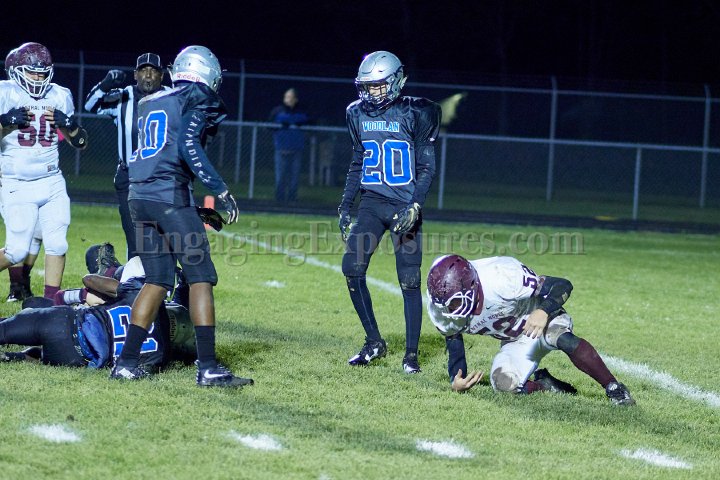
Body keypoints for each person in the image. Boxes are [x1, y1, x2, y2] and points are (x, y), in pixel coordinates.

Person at [112, 45, 252, 388]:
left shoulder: (151, 100)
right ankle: (208, 367)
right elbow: (188, 145)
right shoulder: (196, 96)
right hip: (169, 197)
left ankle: (126, 363)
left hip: (139, 198)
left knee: (157, 280)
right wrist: (218, 188)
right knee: (200, 277)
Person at [338, 51, 441, 374]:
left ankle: (411, 355)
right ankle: (374, 342)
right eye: (368, 86)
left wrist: (416, 204)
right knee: (351, 268)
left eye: (379, 85)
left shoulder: (415, 112)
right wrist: (345, 205)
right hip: (371, 203)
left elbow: (426, 166)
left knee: (409, 280)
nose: (372, 92)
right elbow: (358, 161)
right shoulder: (356, 113)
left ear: (396, 81)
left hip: (404, 205)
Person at [426, 254, 636, 406]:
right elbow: (454, 341)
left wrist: (543, 311)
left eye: (453, 302)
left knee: (563, 338)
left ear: (471, 286)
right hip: (514, 340)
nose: (447, 310)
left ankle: (613, 387)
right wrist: (457, 379)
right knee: (503, 385)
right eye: (443, 303)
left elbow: (563, 285)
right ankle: (546, 385)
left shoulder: (502, 277)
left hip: (540, 320)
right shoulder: (442, 309)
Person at [0, 42, 88, 300]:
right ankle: (19, 287)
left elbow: (81, 143)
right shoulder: (5, 93)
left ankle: (52, 303)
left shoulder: (59, 95)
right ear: (16, 71)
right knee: (16, 251)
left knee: (58, 243)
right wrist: (4, 123)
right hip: (17, 182)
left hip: (52, 180)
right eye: (32, 72)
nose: (38, 78)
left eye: (42, 73)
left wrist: (69, 125)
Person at [0, 255, 196, 370]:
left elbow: (89, 279)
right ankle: (18, 357)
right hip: (74, 357)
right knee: (42, 353)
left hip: (62, 324)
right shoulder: (162, 355)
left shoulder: (137, 294)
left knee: (7, 329)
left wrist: (117, 286)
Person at [84, 53, 168, 260]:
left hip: (163, 178)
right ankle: (136, 275)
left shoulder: (172, 97)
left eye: (153, 71)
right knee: (134, 236)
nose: (148, 75)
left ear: (161, 75)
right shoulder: (123, 96)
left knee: (165, 234)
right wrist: (105, 84)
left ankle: (163, 275)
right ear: (135, 75)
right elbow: (90, 106)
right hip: (129, 176)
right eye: (143, 70)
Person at [269, 88, 309, 203]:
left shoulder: (301, 112)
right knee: (280, 176)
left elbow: (310, 122)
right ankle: (279, 199)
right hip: (281, 149)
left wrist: (300, 124)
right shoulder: (277, 111)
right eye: (286, 97)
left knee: (294, 177)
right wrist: (280, 125)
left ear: (295, 99)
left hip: (296, 150)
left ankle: (292, 199)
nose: (287, 99)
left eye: (290, 97)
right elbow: (269, 125)